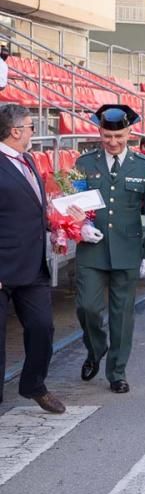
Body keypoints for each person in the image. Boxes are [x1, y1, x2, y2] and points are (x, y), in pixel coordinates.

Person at [74, 105, 145, 393]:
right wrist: (80, 227)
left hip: (128, 249)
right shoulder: (84, 163)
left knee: (122, 315)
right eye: (107, 136)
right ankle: (95, 347)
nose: (113, 142)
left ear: (129, 133)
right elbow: (71, 205)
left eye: (119, 136)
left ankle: (117, 372)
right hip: (92, 248)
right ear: (99, 132)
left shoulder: (143, 166)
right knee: (87, 307)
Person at [0, 103, 65, 413]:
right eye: (29, 127)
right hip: (2, 267)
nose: (32, 132)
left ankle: (33, 384)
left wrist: (58, 224)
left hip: (33, 264)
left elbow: (32, 208)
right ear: (15, 131)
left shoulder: (26, 160)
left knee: (42, 328)